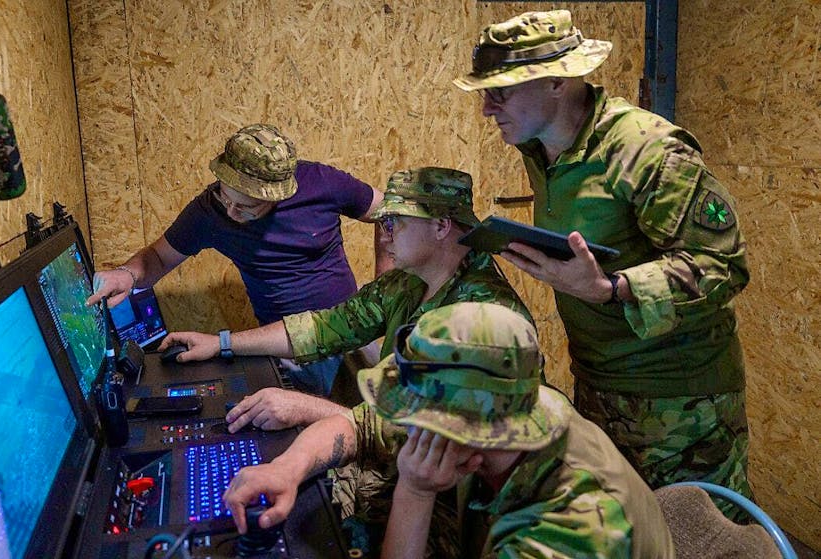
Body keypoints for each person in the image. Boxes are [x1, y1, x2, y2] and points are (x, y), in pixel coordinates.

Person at [453, 10, 752, 517]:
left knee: (699, 539)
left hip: (680, 405)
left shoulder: (648, 151)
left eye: (499, 91)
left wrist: (612, 288)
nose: (486, 109)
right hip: (598, 386)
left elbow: (723, 265)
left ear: (556, 81)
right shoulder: (539, 146)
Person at [222, 302, 674, 558]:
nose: (407, 424)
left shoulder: (571, 530)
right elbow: (355, 425)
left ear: (465, 430)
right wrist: (287, 467)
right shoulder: (508, 409)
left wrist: (414, 493)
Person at [159, 166, 532, 433]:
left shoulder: (482, 317)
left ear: (440, 226)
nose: (385, 235)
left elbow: (413, 430)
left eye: (395, 223)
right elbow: (323, 328)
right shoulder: (405, 284)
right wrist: (221, 343)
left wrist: (306, 409)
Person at [87, 123, 388, 395]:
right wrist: (127, 274)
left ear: (277, 196)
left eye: (247, 207)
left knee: (376, 435)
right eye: (225, 196)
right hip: (285, 348)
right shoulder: (209, 211)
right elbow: (157, 258)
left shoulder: (322, 182)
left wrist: (387, 282)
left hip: (351, 335)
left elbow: (387, 211)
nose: (231, 212)